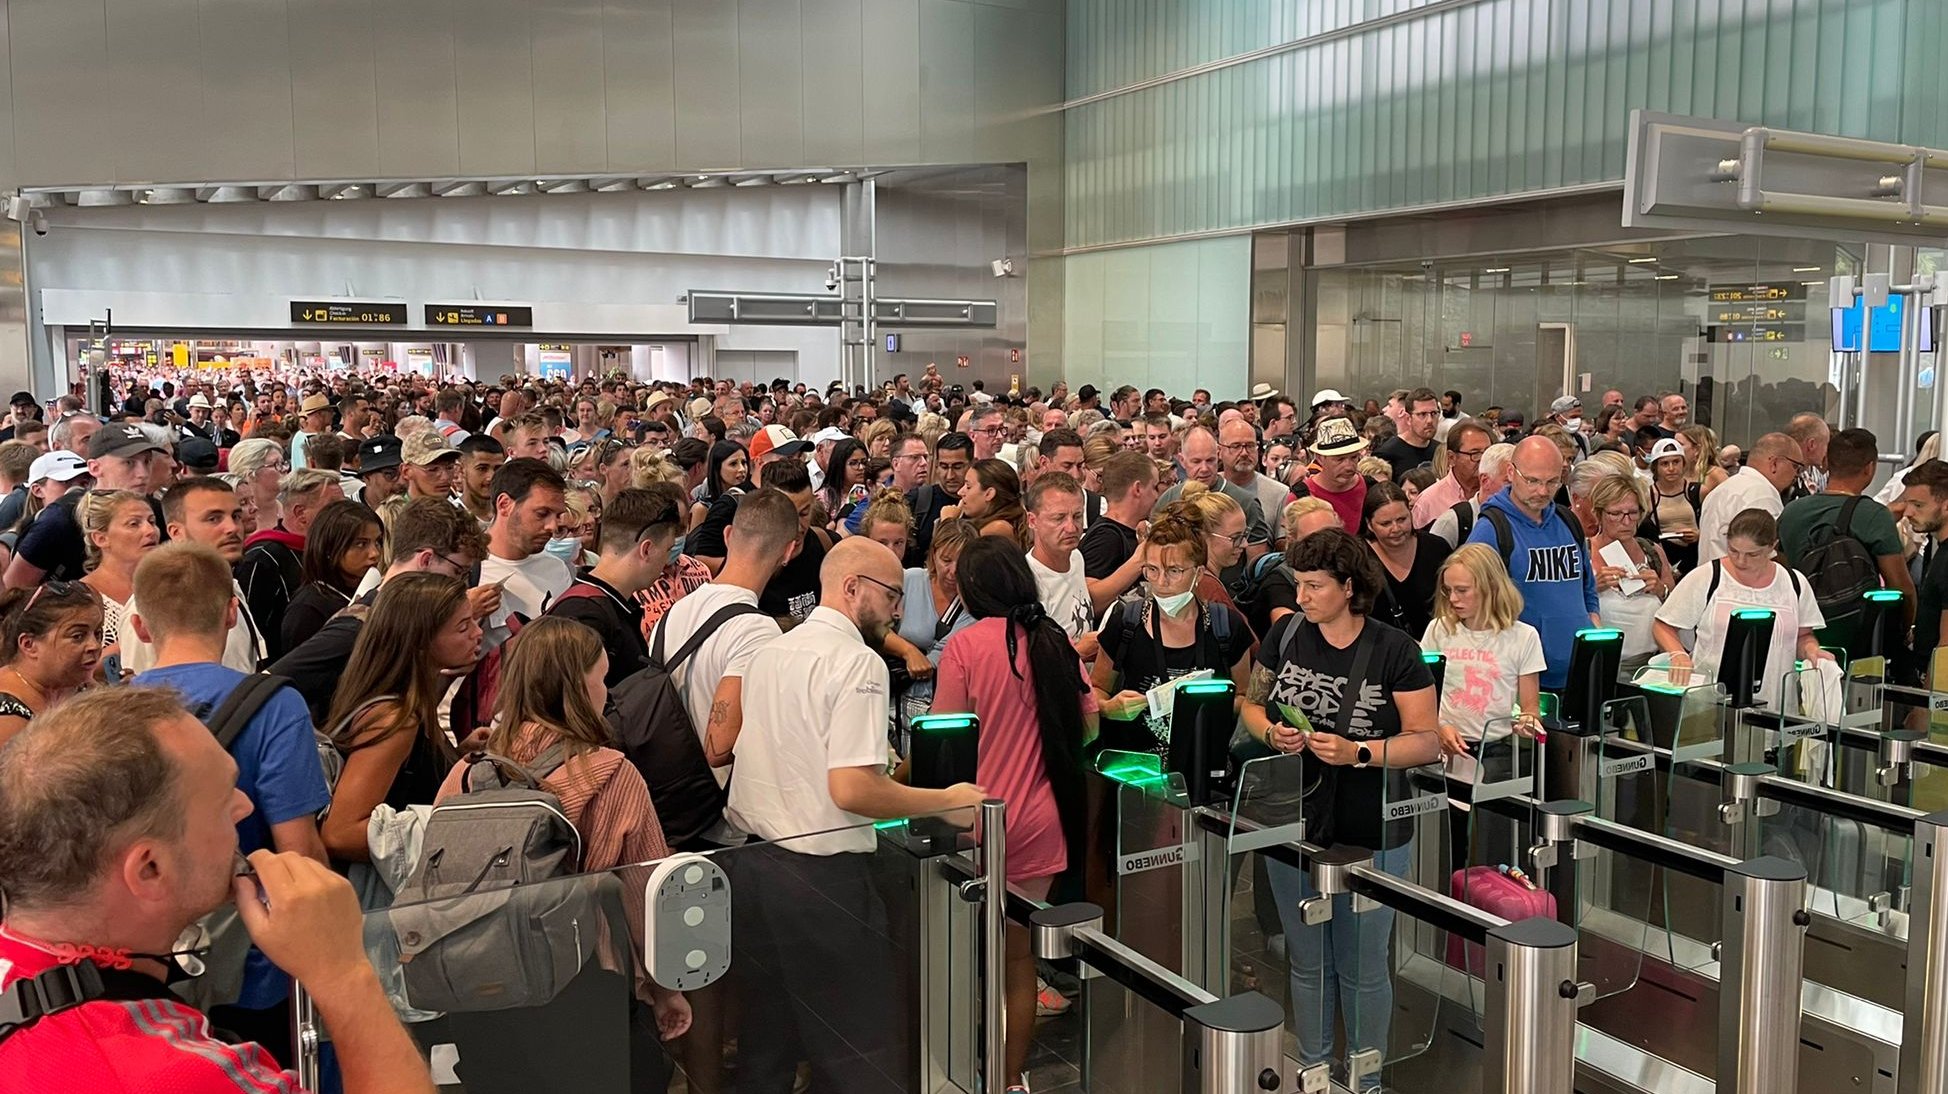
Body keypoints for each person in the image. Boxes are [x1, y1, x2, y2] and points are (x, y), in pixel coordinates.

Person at [0, 687, 435, 1094]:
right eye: (224, 796)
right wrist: (346, 975)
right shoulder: (172, 1074)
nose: (244, 806)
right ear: (150, 868)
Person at [724, 537, 984, 1092]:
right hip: (821, 881)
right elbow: (852, 788)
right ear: (851, 587)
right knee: (861, 1050)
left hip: (754, 865)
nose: (897, 610)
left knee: (766, 1042)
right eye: (891, 595)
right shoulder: (856, 661)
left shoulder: (773, 648)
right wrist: (947, 800)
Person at [433, 616, 690, 1089]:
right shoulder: (609, 775)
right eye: (602, 678)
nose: (607, 692)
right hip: (579, 985)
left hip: (477, 983)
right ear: (577, 686)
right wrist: (664, 988)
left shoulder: (469, 773)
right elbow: (644, 897)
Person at [1240, 529, 1439, 1081]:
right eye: (1299, 585)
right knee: (1308, 960)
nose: (1301, 597)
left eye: (1314, 586)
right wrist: (1271, 733)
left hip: (1370, 821)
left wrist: (1360, 752)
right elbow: (1252, 705)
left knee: (1362, 963)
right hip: (1294, 812)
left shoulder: (1394, 648)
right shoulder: (1286, 635)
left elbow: (1425, 738)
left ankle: (1366, 1076)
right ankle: (1313, 1069)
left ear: (1349, 588)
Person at [126, 542, 330, 1060]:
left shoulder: (106, 714)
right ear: (232, 613)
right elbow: (297, 849)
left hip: (142, 954)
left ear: (141, 628)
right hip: (256, 960)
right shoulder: (275, 704)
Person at [930, 536, 1099, 1092]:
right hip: (1043, 820)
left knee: (956, 955)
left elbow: (943, 734)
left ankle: (951, 1071)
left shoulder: (965, 647)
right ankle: (1008, 1079)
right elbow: (1089, 727)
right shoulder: (1056, 644)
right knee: (1016, 961)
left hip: (974, 823)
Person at [648, 487, 797, 850]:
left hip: (669, 802)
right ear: (789, 551)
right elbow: (720, 745)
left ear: (728, 535)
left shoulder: (672, 613)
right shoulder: (756, 629)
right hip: (719, 822)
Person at [272, 498, 492, 722]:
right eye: (458, 573)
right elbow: (265, 685)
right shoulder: (356, 627)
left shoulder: (405, 621)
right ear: (425, 560)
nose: (460, 586)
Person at [319, 573, 483, 862]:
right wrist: (454, 836)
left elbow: (406, 785)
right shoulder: (394, 720)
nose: (477, 633)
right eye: (462, 627)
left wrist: (458, 755)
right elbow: (340, 834)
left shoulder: (413, 703)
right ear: (421, 643)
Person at [1421, 543, 1545, 869]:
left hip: (1498, 756)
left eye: (1462, 590)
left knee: (1492, 849)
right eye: (1448, 591)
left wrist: (1528, 723)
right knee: (1446, 847)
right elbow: (1422, 696)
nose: (1454, 599)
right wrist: (1439, 727)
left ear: (1490, 587)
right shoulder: (1439, 630)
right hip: (1445, 754)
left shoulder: (1523, 637)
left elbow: (1530, 708)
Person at [1091, 511, 1253, 757]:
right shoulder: (1127, 623)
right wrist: (1108, 707)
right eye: (1152, 570)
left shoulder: (1226, 626)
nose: (1161, 582)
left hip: (1204, 766)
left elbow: (1245, 698)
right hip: (1137, 768)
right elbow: (1097, 688)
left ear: (1198, 574)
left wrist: (1214, 701)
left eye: (1174, 571)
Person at [1655, 508, 1831, 711]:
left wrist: (1812, 651)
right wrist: (1678, 654)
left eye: (1752, 554)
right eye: (1733, 551)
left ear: (1772, 547)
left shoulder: (1794, 582)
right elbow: (1663, 625)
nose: (1740, 561)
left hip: (1777, 705)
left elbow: (1803, 636)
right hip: (1711, 704)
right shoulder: (1707, 577)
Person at [1464, 436, 1599, 690]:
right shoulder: (1491, 529)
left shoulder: (1567, 521)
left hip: (1578, 670)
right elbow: (1470, 604)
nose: (1543, 491)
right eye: (1533, 481)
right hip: (1521, 679)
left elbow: (1587, 586)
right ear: (1511, 473)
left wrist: (1592, 622)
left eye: (1552, 482)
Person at [1778, 426, 1915, 644]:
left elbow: (1783, 572)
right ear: (1870, 468)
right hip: (1858, 635)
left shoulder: (1791, 512)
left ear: (1826, 464)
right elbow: (1901, 587)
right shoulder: (1875, 515)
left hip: (1802, 630)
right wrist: (1903, 632)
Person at [548, 485, 683, 685]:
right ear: (646, 550)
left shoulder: (609, 604)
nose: (667, 562)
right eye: (667, 549)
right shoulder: (586, 616)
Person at [6, 423, 164, 587]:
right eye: (129, 463)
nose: (143, 474)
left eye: (147, 461)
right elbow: (14, 590)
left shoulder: (156, 511)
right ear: (95, 468)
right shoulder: (60, 519)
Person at [236, 468, 340, 663]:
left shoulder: (330, 551)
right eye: (333, 507)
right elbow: (252, 632)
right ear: (301, 513)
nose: (343, 515)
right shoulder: (263, 558)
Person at [0, 580, 103, 745]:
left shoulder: (78, 685)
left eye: (97, 633)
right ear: (29, 645)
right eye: (78, 636)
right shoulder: (6, 716)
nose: (95, 646)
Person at [282, 499, 384, 653]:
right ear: (330, 548)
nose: (375, 553)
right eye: (361, 544)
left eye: (377, 542)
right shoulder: (307, 610)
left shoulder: (373, 591)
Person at [478, 457, 572, 623]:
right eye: (542, 514)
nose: (552, 526)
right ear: (504, 505)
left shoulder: (557, 569)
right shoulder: (467, 573)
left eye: (558, 515)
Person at [1155, 426, 1272, 552]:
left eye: (1210, 460)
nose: (1204, 468)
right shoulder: (1168, 499)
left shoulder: (1245, 503)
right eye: (1196, 462)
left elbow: (1256, 564)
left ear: (1218, 455)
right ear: (1182, 461)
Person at [1698, 432, 1804, 565]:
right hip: (1740, 580)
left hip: (1710, 577)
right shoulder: (1762, 495)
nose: (1797, 475)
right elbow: (1767, 556)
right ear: (1774, 463)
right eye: (1796, 467)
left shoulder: (1721, 489)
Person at [1363, 481, 1452, 639]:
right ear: (1369, 524)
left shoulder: (1436, 548)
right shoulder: (1358, 557)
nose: (1396, 529)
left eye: (1402, 519)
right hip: (1380, 651)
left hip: (1435, 647)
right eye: (1386, 523)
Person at [76, 488, 159, 654]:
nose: (150, 531)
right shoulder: (78, 598)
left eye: (152, 521)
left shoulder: (171, 585)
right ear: (101, 538)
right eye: (134, 524)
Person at [1023, 471, 1097, 647]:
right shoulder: (1028, 583)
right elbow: (1032, 663)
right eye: (1059, 518)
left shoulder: (1076, 557)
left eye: (1077, 516)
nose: (1071, 528)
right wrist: (1079, 652)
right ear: (1032, 521)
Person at [1080, 449, 1158, 608]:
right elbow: (1089, 601)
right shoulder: (1107, 537)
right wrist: (1138, 561)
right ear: (1137, 489)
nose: (1157, 496)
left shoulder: (1130, 532)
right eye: (1154, 487)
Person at [1900, 460, 1948, 683]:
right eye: (1908, 503)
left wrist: (1924, 709)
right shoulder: (1938, 551)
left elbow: (1946, 645)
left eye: (1918, 505)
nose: (1908, 512)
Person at [1289, 416, 1373, 534]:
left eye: (1354, 457)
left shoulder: (1371, 488)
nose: (1349, 466)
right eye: (1339, 459)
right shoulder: (1299, 497)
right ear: (1320, 458)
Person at [1412, 420, 1491, 531]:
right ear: (1451, 458)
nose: (1483, 459)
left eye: (1488, 452)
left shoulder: (1499, 493)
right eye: (1475, 453)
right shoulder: (1428, 502)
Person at [1638, 437, 1701, 575]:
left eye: (1676, 462)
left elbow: (1713, 527)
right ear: (1656, 467)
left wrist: (1699, 534)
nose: (1671, 468)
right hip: (1665, 555)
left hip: (1695, 554)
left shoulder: (1698, 491)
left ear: (1683, 464)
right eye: (1665, 464)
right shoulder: (1648, 495)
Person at [907, 432, 973, 566]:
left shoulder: (981, 505)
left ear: (972, 465)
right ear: (936, 466)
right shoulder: (917, 500)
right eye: (944, 467)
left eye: (957, 467)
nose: (950, 475)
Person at [1373, 387, 1442, 481]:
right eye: (1422, 414)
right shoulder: (1386, 453)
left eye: (1434, 413)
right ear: (1408, 419)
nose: (1430, 420)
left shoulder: (1441, 451)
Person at [954, 457, 1027, 541]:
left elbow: (950, 552)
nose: (960, 492)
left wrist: (947, 521)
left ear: (989, 494)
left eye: (968, 487)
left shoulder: (997, 528)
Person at [690, 439, 749, 532]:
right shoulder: (702, 509)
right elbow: (694, 545)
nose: (742, 469)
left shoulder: (750, 502)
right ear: (717, 467)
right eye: (733, 464)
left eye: (744, 462)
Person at [456, 433, 506, 527]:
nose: (491, 477)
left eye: (497, 469)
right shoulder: (450, 519)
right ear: (461, 469)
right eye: (482, 468)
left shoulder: (508, 514)